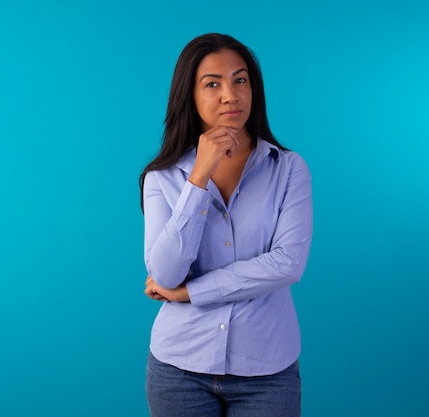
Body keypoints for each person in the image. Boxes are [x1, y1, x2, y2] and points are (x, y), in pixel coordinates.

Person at [139, 33, 313, 417]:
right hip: (178, 369)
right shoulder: (162, 178)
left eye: (240, 80)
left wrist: (190, 294)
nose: (230, 95)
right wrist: (199, 176)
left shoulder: (288, 169)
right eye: (212, 84)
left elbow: (287, 263)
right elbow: (166, 273)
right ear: (191, 95)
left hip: (267, 369)